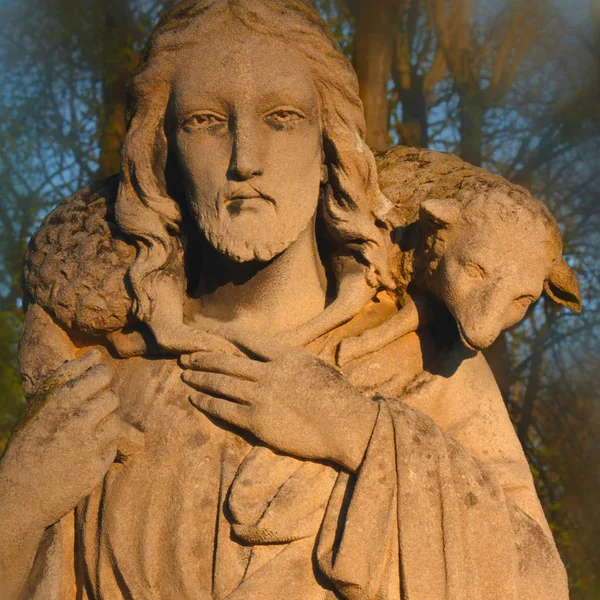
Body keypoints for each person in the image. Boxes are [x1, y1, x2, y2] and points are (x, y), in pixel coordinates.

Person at [0, 1, 569, 598]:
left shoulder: (426, 367)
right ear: (164, 152)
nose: (246, 159)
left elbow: (538, 585)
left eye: (281, 117)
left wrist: (360, 433)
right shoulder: (106, 384)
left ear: (330, 146)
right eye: (205, 122)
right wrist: (17, 506)